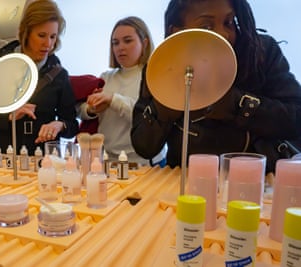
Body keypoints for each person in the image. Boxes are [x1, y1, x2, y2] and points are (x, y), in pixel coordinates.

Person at [131, 0, 301, 172]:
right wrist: (164, 107)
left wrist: (237, 105)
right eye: (206, 26)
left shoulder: (260, 53)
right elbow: (143, 146)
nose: (224, 34)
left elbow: (295, 119)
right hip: (184, 182)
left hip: (256, 182)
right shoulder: (159, 67)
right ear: (176, 30)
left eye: (228, 22)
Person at [0, 0, 78, 155]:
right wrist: (9, 116)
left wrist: (59, 125)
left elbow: (72, 124)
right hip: (4, 152)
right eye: (41, 35)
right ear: (26, 32)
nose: (48, 44)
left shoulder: (59, 74)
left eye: (53, 36)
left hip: (44, 157)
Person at [77, 16, 166, 166]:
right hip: (108, 160)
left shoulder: (154, 76)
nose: (120, 47)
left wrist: (113, 99)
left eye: (127, 40)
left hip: (145, 163)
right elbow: (81, 111)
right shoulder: (106, 77)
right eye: (115, 43)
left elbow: (149, 120)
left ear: (144, 43)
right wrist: (92, 110)